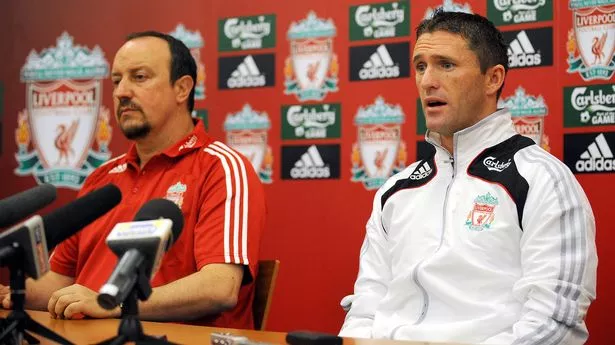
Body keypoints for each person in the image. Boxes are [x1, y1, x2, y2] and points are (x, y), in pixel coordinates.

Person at [339, 9, 597, 345]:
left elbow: (554, 323)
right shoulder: (395, 191)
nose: (428, 80)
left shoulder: (542, 180)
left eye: (445, 65)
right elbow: (365, 310)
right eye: (420, 66)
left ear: (493, 78)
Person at [0, 31, 266, 329]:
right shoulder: (101, 179)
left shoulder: (221, 167)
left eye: (139, 77)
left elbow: (219, 288)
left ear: (182, 88)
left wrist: (113, 303)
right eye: (116, 81)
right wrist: (14, 294)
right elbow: (60, 281)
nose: (121, 92)